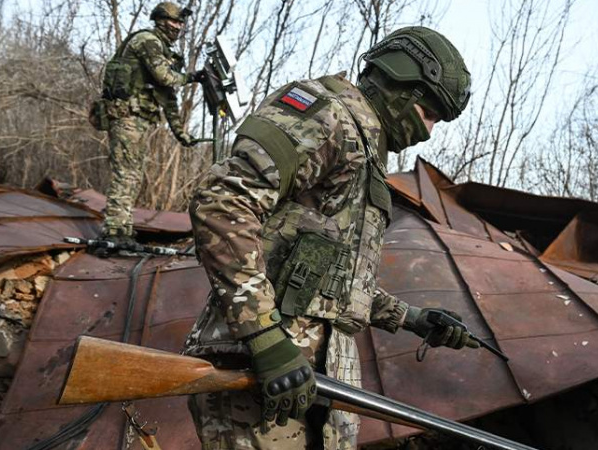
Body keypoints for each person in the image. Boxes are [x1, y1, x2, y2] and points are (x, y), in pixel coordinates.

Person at [183, 26, 475, 449]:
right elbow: (223, 201)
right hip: (258, 377)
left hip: (321, 383)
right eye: (429, 113)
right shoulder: (327, 114)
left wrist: (412, 319)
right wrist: (265, 338)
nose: (428, 131)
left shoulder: (364, 151)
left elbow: (329, 282)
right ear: (401, 85)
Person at [91, 1, 205, 250]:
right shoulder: (148, 41)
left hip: (138, 121)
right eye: (174, 21)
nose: (178, 26)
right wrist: (193, 77)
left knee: (133, 174)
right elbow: (166, 77)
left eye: (180, 23)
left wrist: (180, 133)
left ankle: (122, 228)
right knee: (127, 174)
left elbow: (167, 96)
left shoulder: (164, 50)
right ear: (161, 20)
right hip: (126, 117)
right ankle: (114, 231)